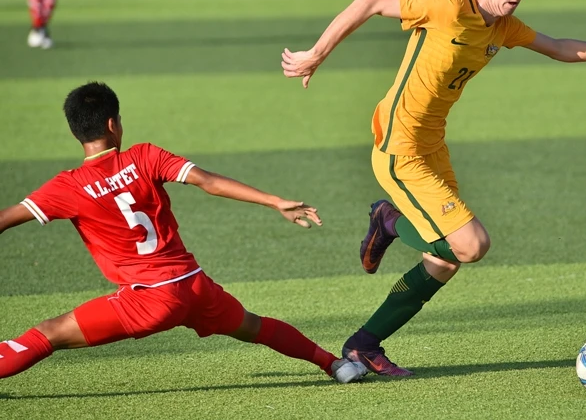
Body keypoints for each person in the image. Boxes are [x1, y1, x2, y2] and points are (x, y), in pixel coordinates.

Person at [281, 0, 586, 376]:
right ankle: (388, 220)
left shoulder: (503, 27)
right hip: (399, 147)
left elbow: (560, 47)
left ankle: (363, 344)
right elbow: (368, 1)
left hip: (433, 146)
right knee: (471, 245)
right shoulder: (448, 8)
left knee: (444, 261)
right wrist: (316, 54)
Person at [0, 82, 367, 384]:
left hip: (148, 300)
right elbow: (208, 181)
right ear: (113, 124)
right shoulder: (144, 156)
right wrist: (274, 201)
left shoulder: (68, 186)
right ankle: (336, 365)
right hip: (195, 287)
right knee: (256, 326)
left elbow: (7, 218)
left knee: (48, 333)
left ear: (74, 130)